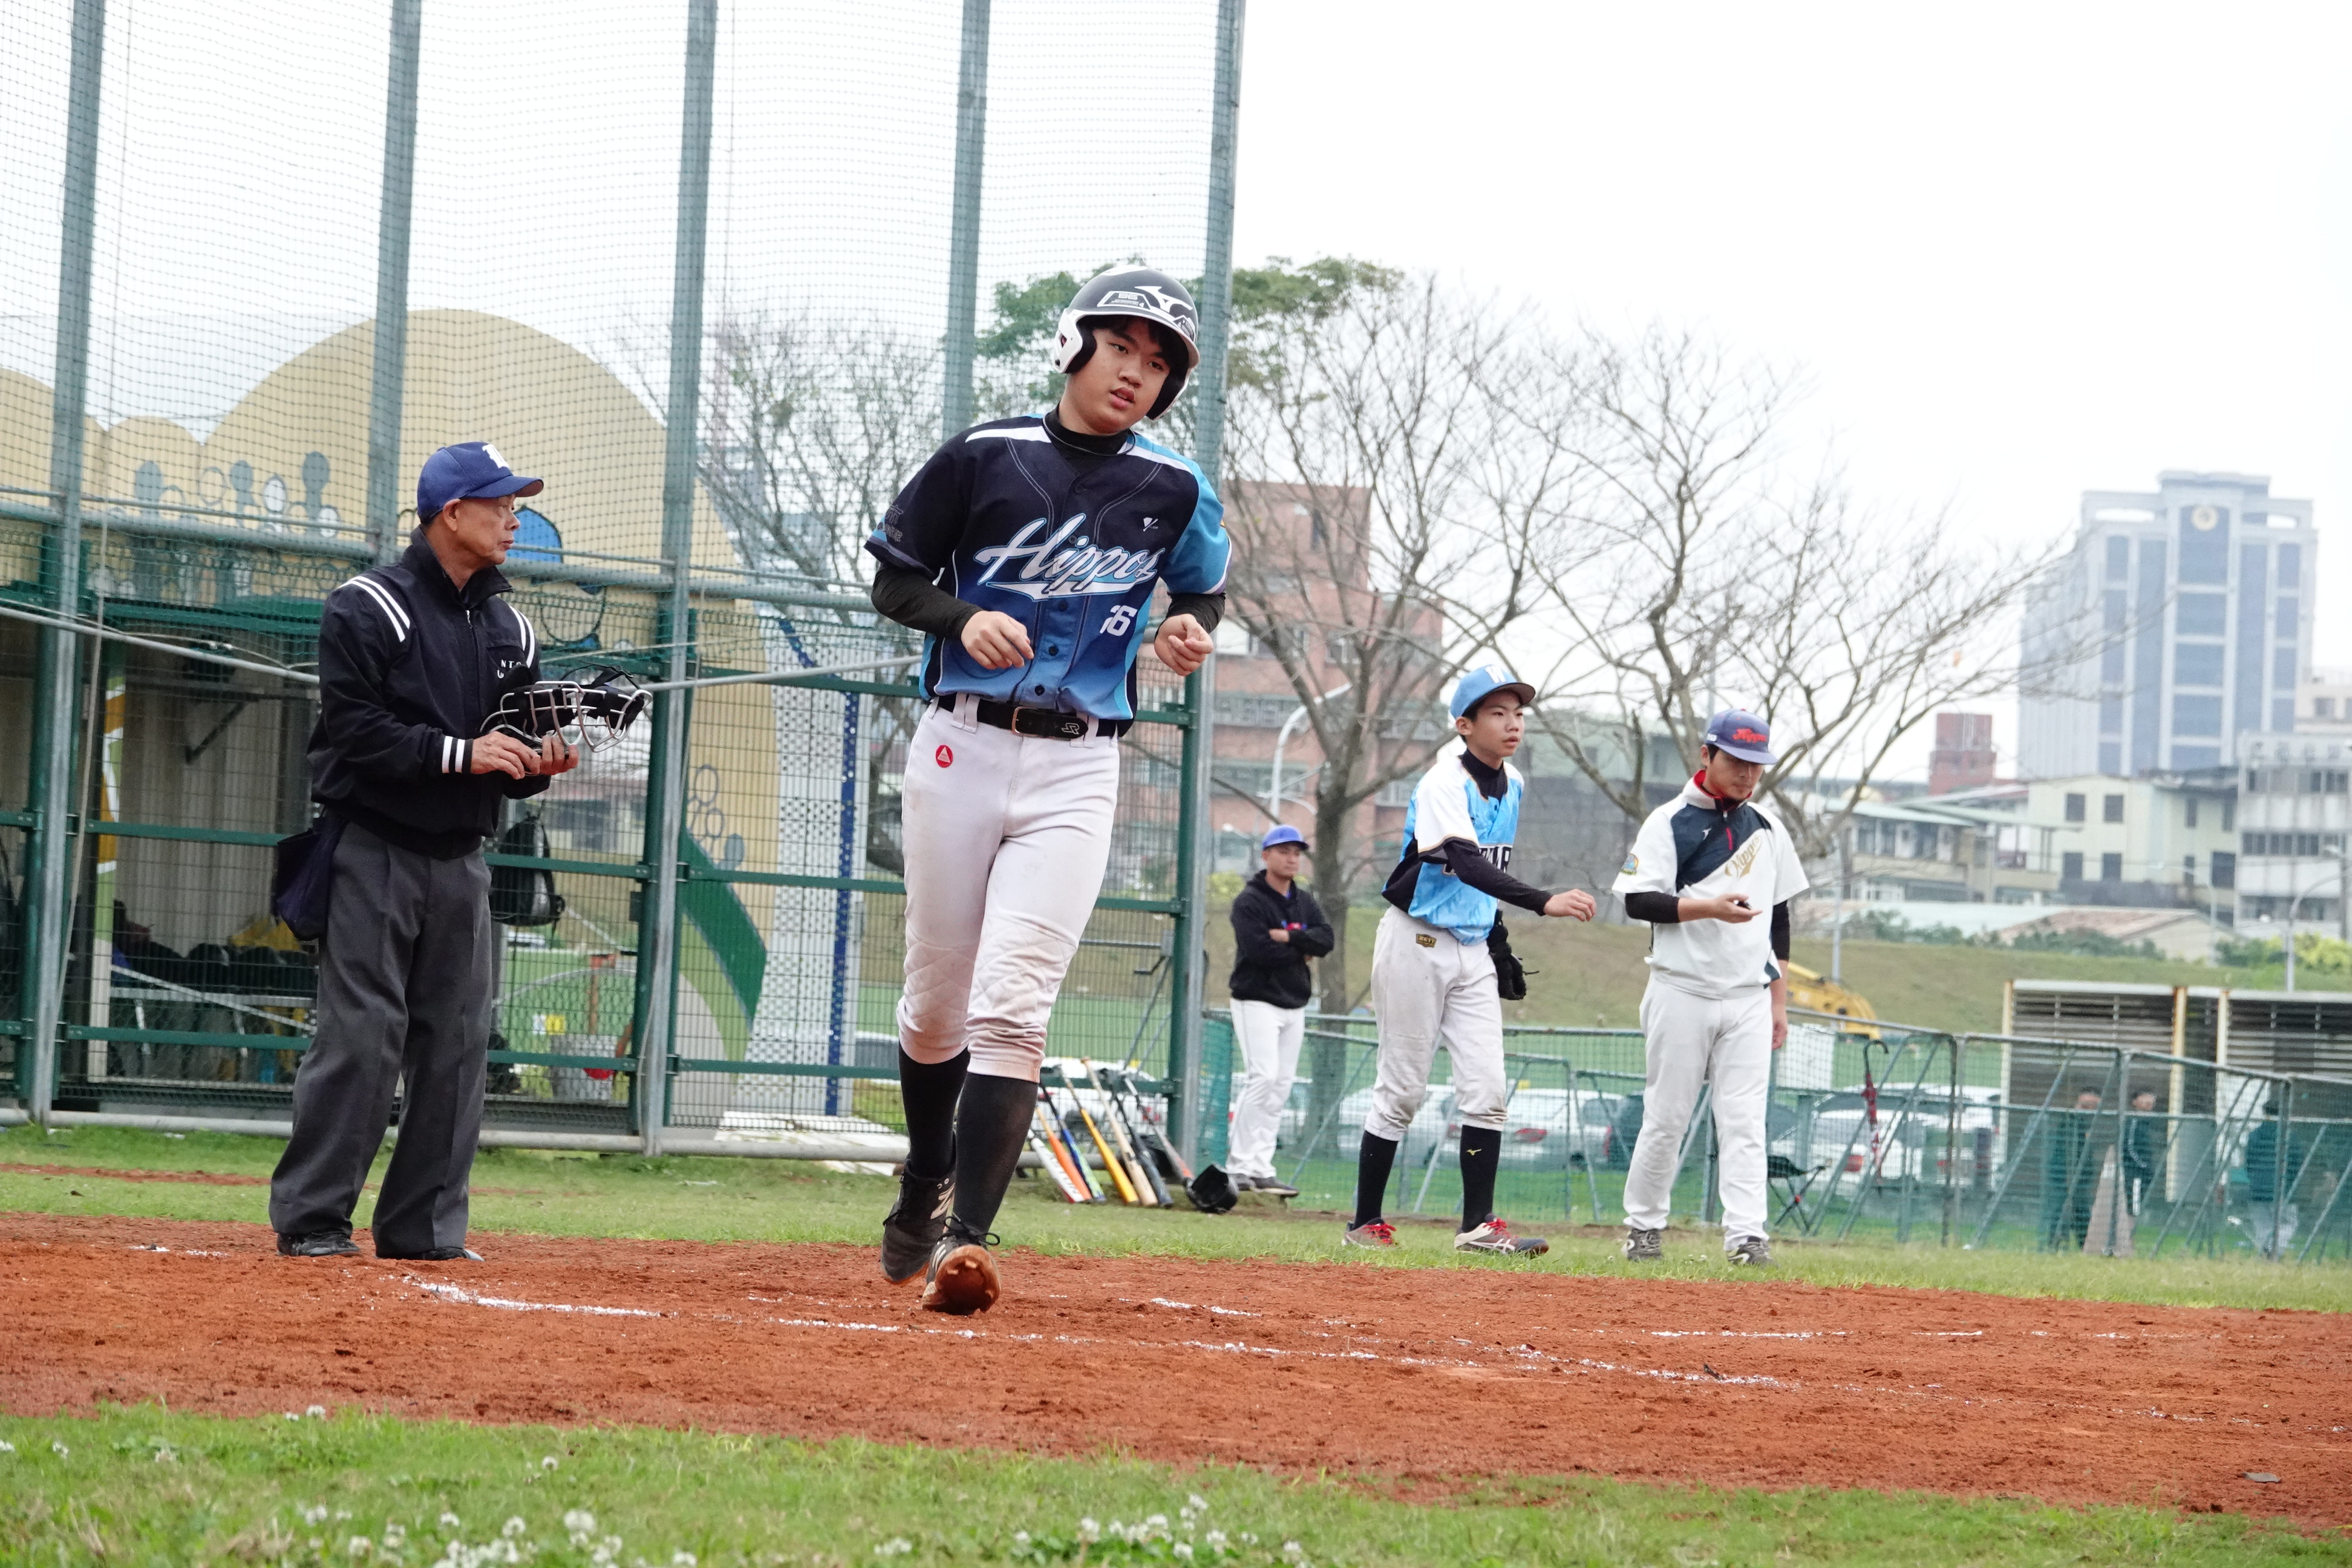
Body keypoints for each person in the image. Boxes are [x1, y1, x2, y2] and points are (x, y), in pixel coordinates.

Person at [864, 267, 1229, 1314]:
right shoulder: (985, 454)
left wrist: (1186, 628)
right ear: (1074, 344)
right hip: (961, 745)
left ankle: (966, 1243)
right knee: (937, 1005)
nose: (1135, 372)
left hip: (1079, 761)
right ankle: (925, 1175)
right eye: (1120, 347)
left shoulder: (1175, 485)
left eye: (1157, 363)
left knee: (1014, 1003)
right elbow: (894, 578)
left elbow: (1200, 588)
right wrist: (960, 618)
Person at [269, 442, 577, 1261]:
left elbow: (509, 753)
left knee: (460, 1046)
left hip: (463, 860)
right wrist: (462, 754)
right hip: (371, 849)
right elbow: (356, 731)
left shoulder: (512, 627)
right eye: (501, 505)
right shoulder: (366, 605)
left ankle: (423, 1230)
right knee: (361, 1038)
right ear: (452, 513)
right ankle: (313, 1219)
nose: (514, 520)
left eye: (516, 506)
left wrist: (537, 763)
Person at [1343, 665, 1597, 1257]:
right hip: (1416, 942)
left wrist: (1497, 938)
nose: (1513, 724)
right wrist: (1542, 901)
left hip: (1472, 948)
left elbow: (1488, 873)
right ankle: (1365, 1221)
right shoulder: (1443, 783)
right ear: (1464, 725)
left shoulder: (1515, 783)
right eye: (1497, 713)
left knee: (1487, 1090)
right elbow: (1466, 861)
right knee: (1402, 1091)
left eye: (1518, 713)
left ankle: (1478, 1226)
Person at [1613, 710, 1809, 1267]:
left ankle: (1747, 1237)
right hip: (1682, 990)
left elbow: (1780, 917)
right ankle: (1644, 1228)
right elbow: (1637, 901)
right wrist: (1709, 908)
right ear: (1707, 755)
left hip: (1748, 997)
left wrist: (1778, 1001)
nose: (1748, 774)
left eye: (1757, 765)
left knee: (1745, 1122)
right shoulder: (1668, 822)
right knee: (1667, 1117)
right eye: (1737, 761)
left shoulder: (1768, 826)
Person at [1226, 825, 1333, 1196]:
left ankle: (1261, 1167)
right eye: (1284, 851)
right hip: (1256, 1000)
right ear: (1266, 855)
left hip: (1294, 1002)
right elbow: (1259, 951)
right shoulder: (1250, 901)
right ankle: (1239, 1166)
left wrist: (1289, 937)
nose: (1292, 859)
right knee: (1263, 1078)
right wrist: (1303, 950)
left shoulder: (1303, 900)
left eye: (1296, 853)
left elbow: (1326, 940)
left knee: (1281, 1085)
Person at [2040, 1086, 2103, 1250]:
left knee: (2080, 1210)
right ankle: (2057, 1241)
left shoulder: (2089, 1123)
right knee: (2062, 1208)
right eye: (2088, 1105)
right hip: (2064, 1173)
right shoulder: (2070, 1120)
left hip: (2082, 1176)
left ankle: (2084, 1244)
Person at [2242, 1100, 2302, 1259]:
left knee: (2263, 1225)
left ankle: (2266, 1253)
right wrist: (2291, 1181)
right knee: (2288, 1223)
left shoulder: (2255, 1135)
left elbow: (2248, 1162)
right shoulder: (2289, 1136)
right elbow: (2296, 1162)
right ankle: (2274, 1252)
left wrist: (2255, 1179)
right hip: (2282, 1188)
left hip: (2257, 1188)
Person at [2120, 1087, 2163, 1215]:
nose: (2149, 1101)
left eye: (2151, 1098)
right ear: (2135, 1102)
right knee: (2133, 1207)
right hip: (2135, 1173)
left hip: (2146, 1172)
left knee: (2140, 1204)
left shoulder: (2149, 1122)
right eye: (2144, 1097)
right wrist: (2143, 1165)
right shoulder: (2133, 1121)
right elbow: (2129, 1146)